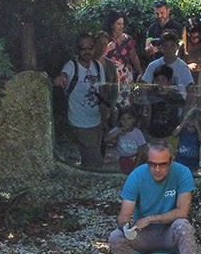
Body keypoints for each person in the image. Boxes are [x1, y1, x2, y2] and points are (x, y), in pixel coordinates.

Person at [108, 140, 201, 254]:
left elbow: (182, 212)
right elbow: (123, 215)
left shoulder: (182, 173)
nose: (157, 170)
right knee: (115, 237)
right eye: (152, 164)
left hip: (169, 233)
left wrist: (150, 219)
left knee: (184, 226)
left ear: (171, 161)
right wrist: (125, 226)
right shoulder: (137, 175)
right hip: (144, 235)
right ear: (147, 162)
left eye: (162, 164)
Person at [55, 33, 112, 170]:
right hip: (80, 122)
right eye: (82, 48)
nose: (87, 51)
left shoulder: (98, 66)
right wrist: (60, 79)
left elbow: (102, 93)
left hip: (97, 121)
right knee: (96, 161)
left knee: (90, 157)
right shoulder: (71, 66)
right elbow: (63, 75)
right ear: (77, 50)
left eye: (90, 47)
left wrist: (105, 119)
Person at [146, 65, 186, 154]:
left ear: (169, 81)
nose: (160, 83)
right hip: (154, 133)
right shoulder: (151, 95)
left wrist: (180, 127)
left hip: (171, 133)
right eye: (157, 80)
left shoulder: (175, 95)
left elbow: (184, 110)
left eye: (163, 80)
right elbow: (148, 113)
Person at [104, 13, 141, 92]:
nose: (121, 27)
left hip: (125, 74)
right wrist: (107, 49)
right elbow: (97, 56)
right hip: (109, 74)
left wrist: (139, 72)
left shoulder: (127, 39)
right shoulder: (105, 39)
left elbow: (133, 57)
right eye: (118, 24)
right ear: (111, 25)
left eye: (122, 24)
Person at [104, 106, 147, 174]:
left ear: (134, 120)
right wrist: (118, 132)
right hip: (122, 158)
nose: (126, 121)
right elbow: (106, 140)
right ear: (120, 121)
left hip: (134, 158)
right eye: (123, 119)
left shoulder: (137, 132)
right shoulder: (117, 130)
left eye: (129, 118)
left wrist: (137, 164)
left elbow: (140, 149)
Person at [175, 108, 201, 176]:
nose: (190, 129)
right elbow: (174, 133)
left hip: (193, 165)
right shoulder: (183, 130)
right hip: (180, 163)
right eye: (188, 126)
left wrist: (198, 127)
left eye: (193, 127)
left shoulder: (198, 133)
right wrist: (183, 123)